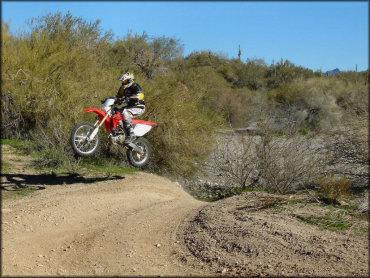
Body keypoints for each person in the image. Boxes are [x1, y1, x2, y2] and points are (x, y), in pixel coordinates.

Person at [116, 72, 145, 143]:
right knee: (115, 112)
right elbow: (117, 97)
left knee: (125, 112)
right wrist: (110, 100)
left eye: (125, 81)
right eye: (123, 81)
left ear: (130, 80)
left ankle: (131, 134)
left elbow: (140, 95)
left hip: (139, 107)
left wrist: (128, 98)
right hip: (130, 107)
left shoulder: (135, 86)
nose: (123, 82)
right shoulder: (123, 89)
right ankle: (120, 131)